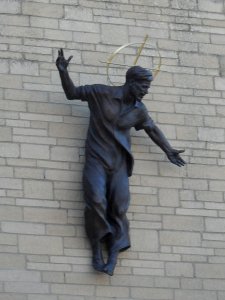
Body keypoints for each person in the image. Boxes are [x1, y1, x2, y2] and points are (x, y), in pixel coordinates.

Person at [56, 49, 185, 276]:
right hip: (96, 160)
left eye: (147, 87)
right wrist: (63, 72)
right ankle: (97, 249)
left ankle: (113, 256)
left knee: (119, 208)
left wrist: (168, 150)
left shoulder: (139, 110)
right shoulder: (101, 93)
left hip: (119, 166)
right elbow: (72, 93)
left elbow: (152, 130)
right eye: (143, 86)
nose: (145, 91)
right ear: (131, 82)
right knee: (95, 199)